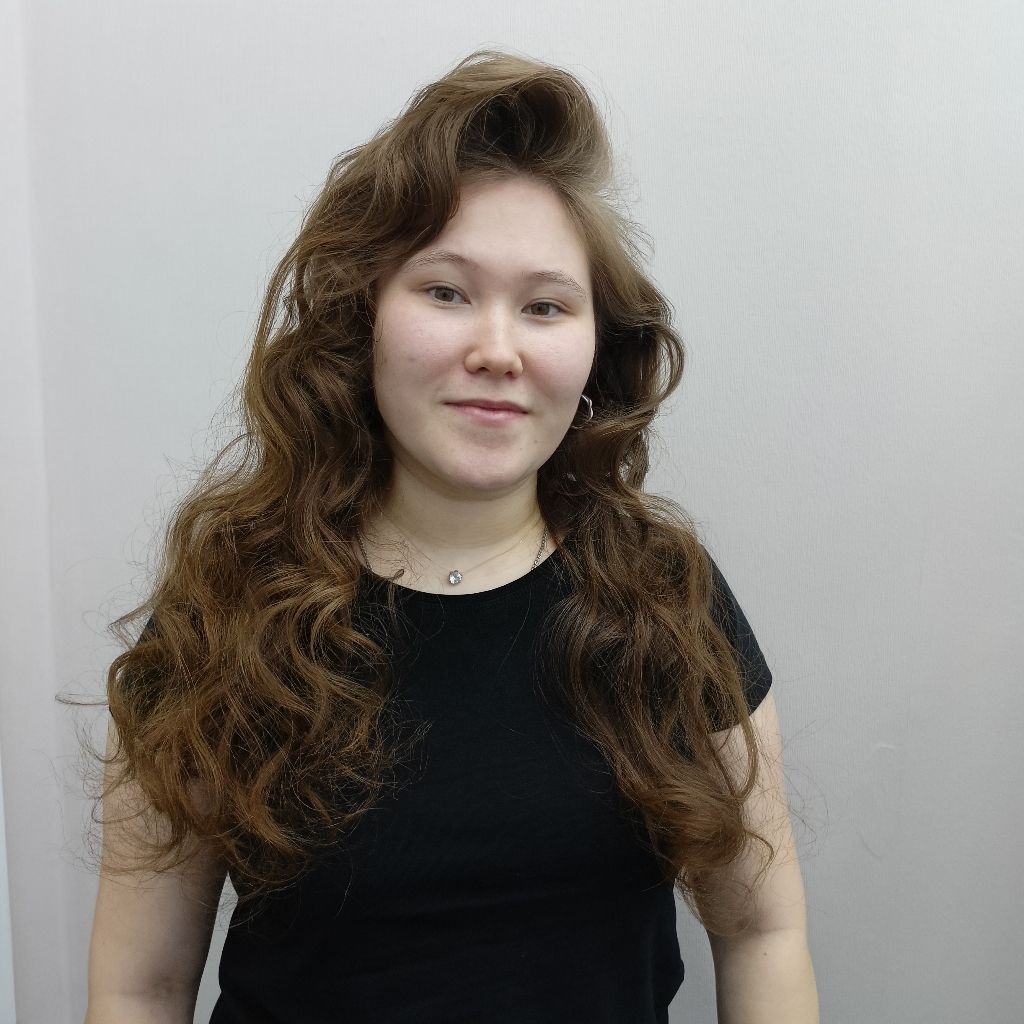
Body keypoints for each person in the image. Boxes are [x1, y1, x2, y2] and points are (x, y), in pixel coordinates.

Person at [85, 50, 818, 1024]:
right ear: (362, 315)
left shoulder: (666, 600)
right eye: (446, 291)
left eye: (545, 306)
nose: (497, 349)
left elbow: (762, 933)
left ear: (596, 345)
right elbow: (140, 987)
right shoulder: (228, 602)